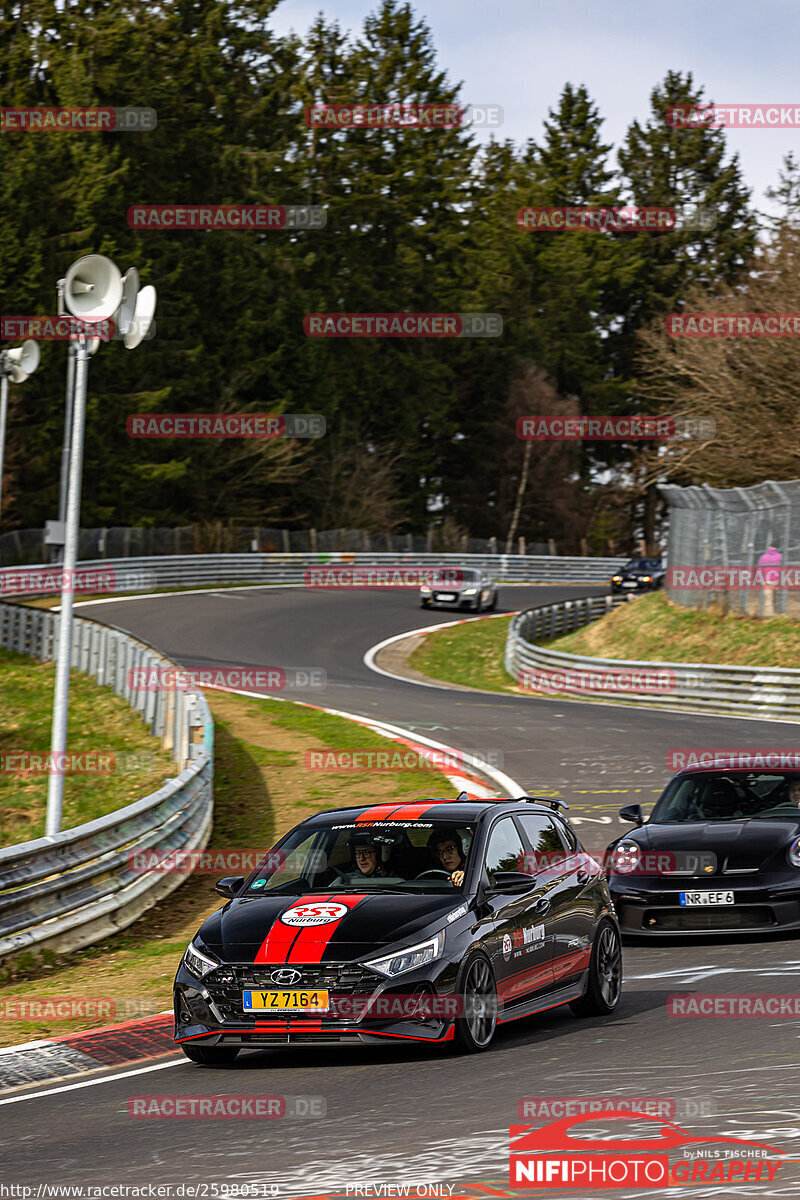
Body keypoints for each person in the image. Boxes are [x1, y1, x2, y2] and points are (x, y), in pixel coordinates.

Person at [336, 832, 404, 885]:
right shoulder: (342, 882)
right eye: (357, 853)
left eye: (366, 852)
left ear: (378, 855)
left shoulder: (396, 882)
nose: (362, 858)